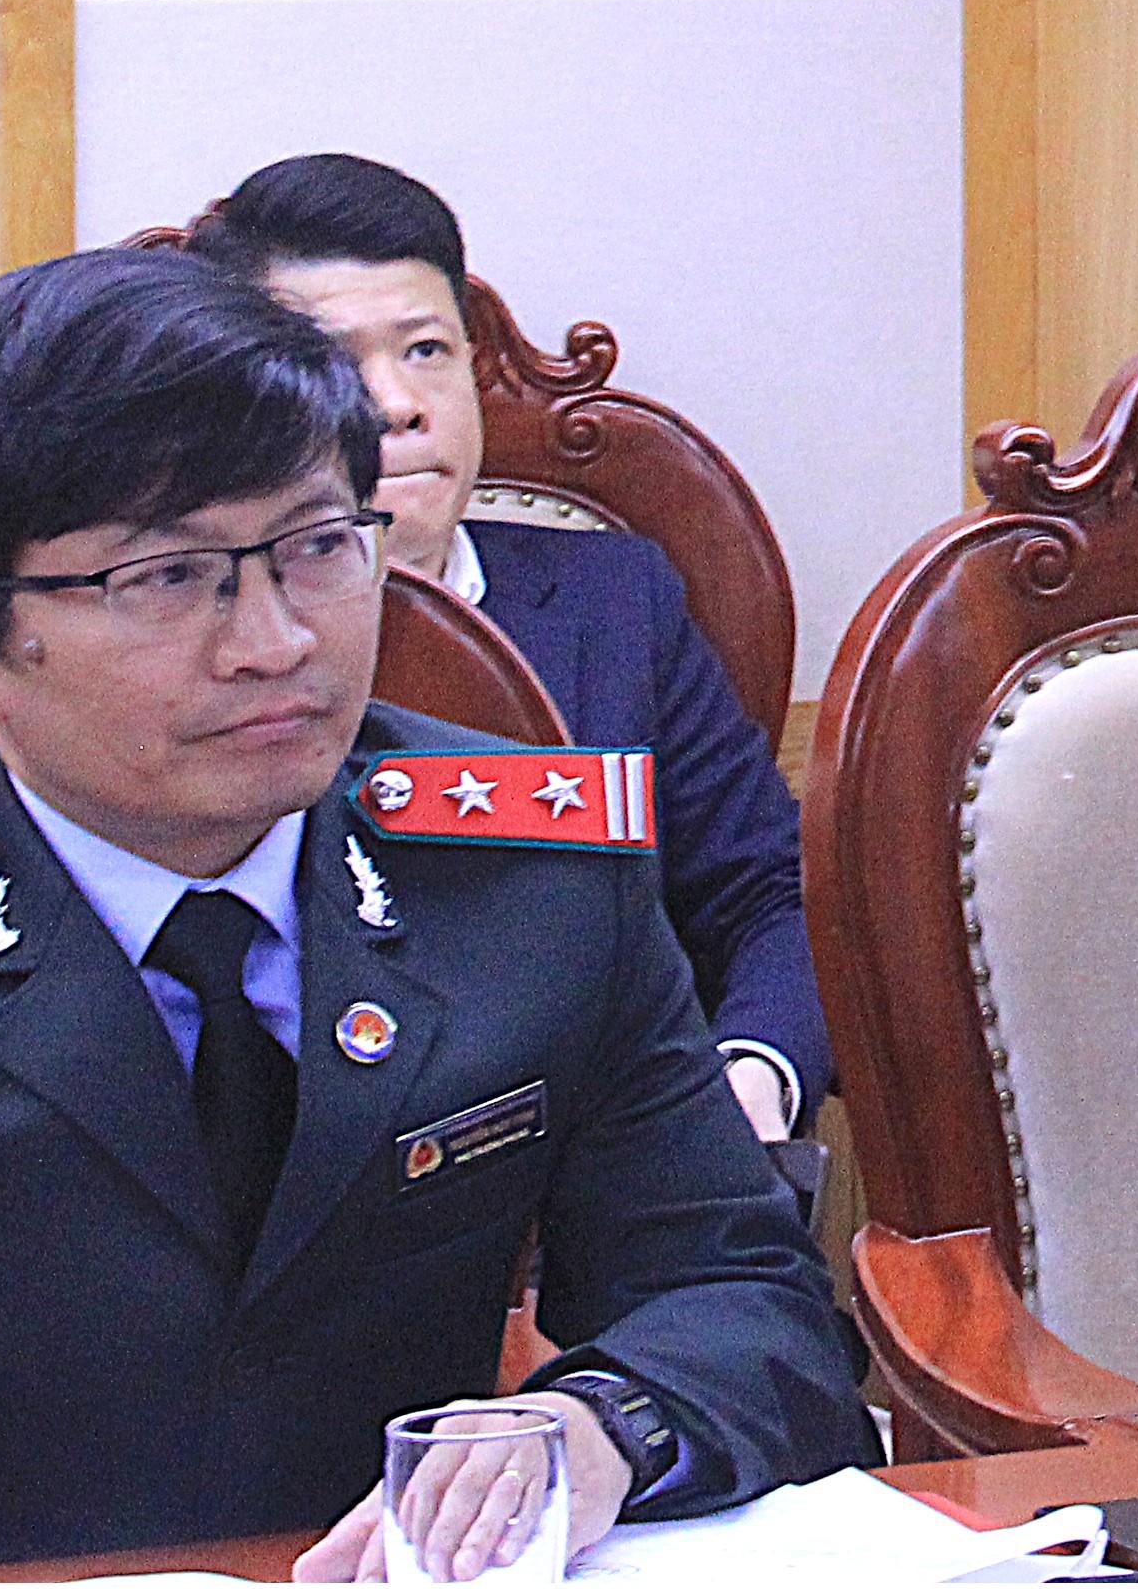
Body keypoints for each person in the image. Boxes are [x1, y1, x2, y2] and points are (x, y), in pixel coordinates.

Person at [0, 251, 868, 1579]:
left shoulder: (530, 878)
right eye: (166, 577)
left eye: (316, 547)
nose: (276, 640)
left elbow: (744, 1299)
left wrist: (599, 1426)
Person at [184, 154, 828, 1142]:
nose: (397, 403)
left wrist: (752, 1073)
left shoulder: (617, 602)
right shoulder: (187, 640)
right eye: (334, 362)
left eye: (427, 350)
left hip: (602, 1155)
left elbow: (772, 893)